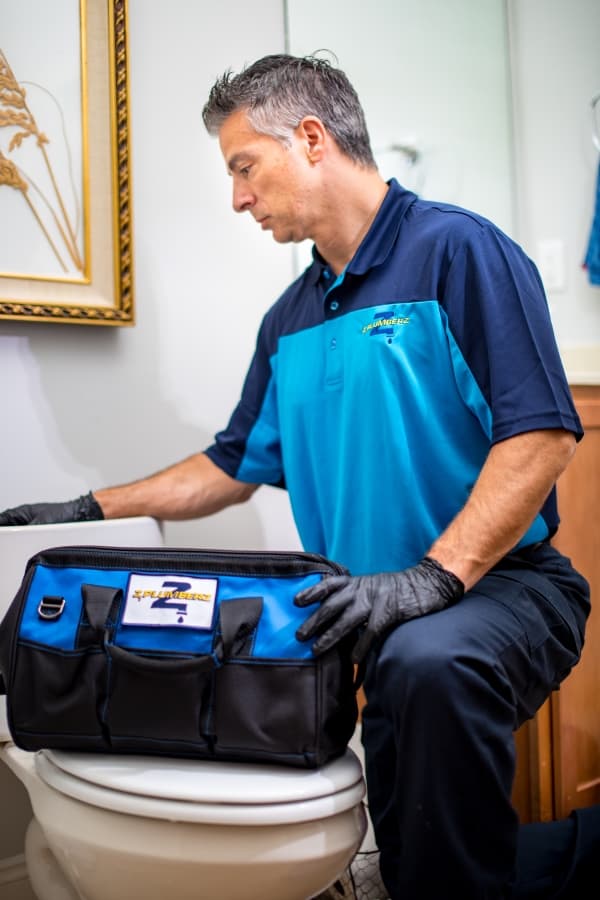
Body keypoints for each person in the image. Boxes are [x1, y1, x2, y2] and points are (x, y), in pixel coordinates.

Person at [0, 54, 594, 899]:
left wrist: (431, 576)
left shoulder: (458, 252)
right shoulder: (291, 318)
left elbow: (540, 434)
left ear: (311, 139)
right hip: (370, 603)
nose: (238, 196)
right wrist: (90, 504)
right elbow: (229, 466)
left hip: (505, 583)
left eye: (244, 167)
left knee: (421, 665)